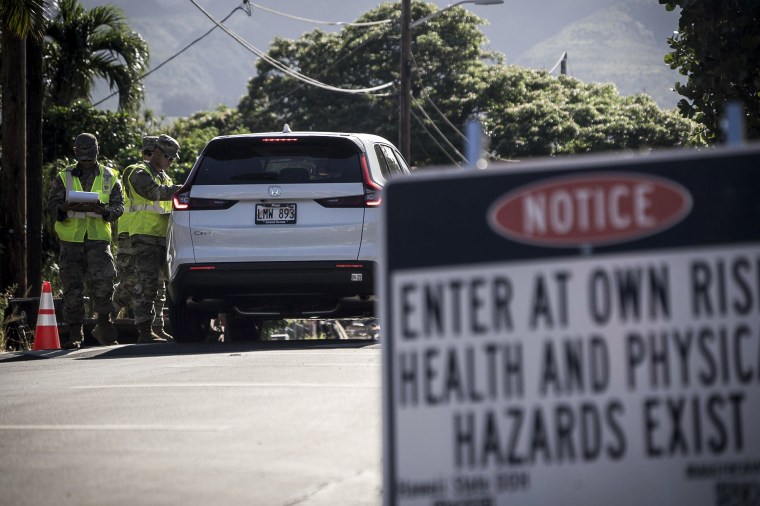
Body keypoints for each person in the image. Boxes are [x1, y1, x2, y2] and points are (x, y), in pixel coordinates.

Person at [47, 133, 124, 349]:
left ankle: (103, 325)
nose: (87, 161)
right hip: (71, 241)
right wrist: (65, 207)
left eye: (90, 157)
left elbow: (119, 206)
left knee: (104, 284)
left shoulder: (110, 176)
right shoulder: (64, 176)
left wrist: (103, 210)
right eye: (83, 158)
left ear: (97, 151)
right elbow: (52, 207)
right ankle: (75, 334)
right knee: (72, 288)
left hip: (98, 240)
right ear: (76, 153)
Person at [125, 134, 183, 343]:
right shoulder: (140, 173)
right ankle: (144, 330)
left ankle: (156, 327)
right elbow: (154, 193)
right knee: (146, 284)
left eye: (173, 158)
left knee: (160, 287)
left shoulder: (164, 176)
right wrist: (183, 189)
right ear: (156, 152)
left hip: (162, 238)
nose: (170, 161)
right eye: (168, 156)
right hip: (145, 237)